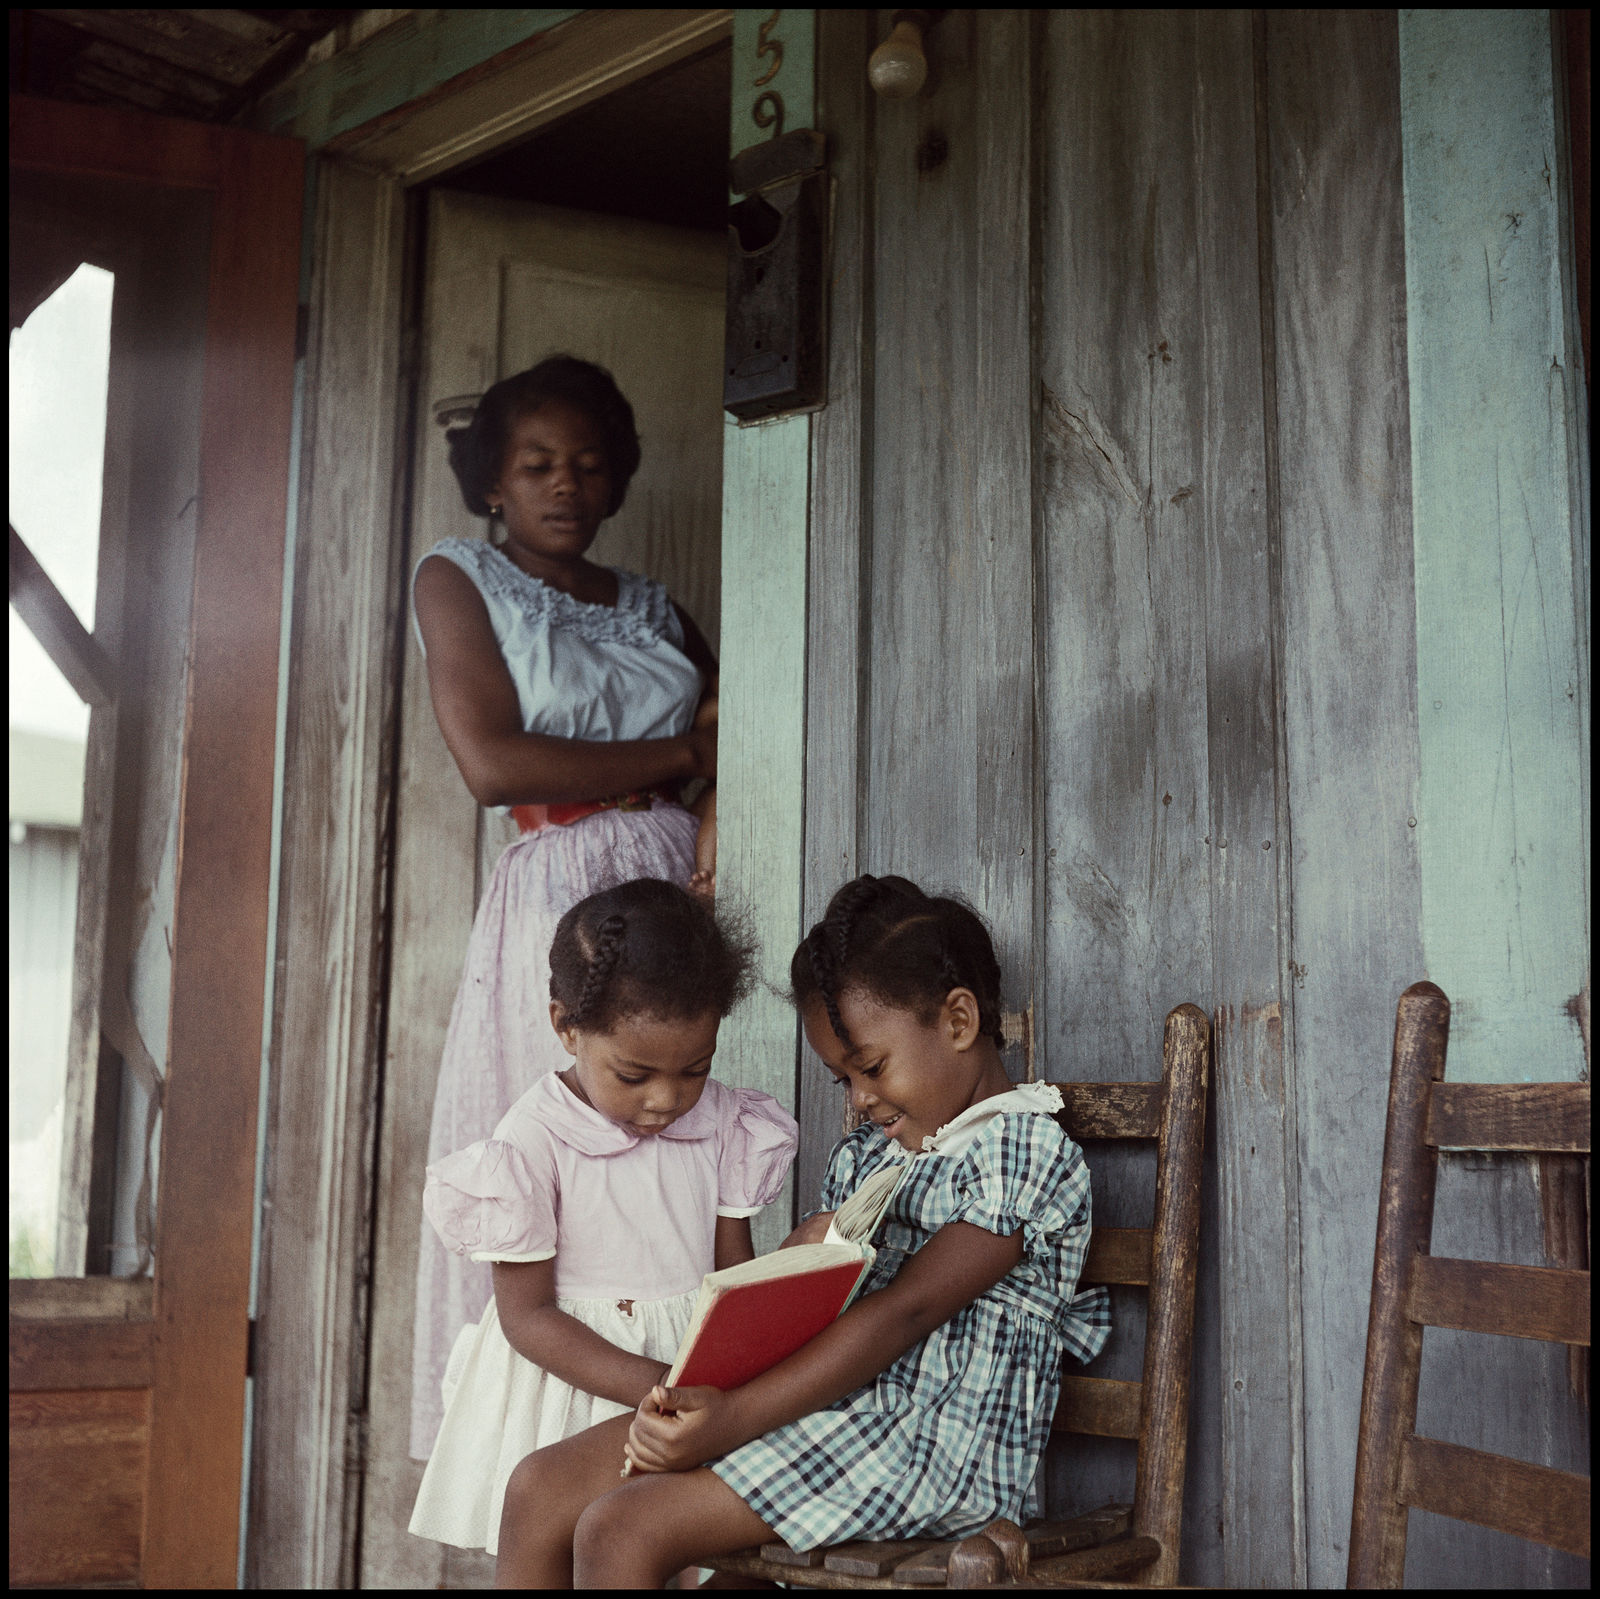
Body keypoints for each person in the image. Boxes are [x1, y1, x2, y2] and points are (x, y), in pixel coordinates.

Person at [493, 873, 1112, 1588]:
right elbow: (821, 1312)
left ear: (959, 1021)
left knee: (621, 1523)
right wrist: (794, 1265)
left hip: (930, 1447)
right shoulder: (876, 1155)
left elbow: (902, 1312)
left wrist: (731, 1420)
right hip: (833, 1412)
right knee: (540, 1488)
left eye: (871, 1066)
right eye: (841, 1079)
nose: (860, 1098)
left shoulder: (1023, 1150)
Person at [409, 355, 721, 1460]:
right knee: (573, 1150)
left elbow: (743, 725)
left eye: (587, 465)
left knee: (677, 1136)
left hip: (682, 879)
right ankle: (553, 1444)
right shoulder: (458, 578)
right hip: (562, 882)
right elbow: (496, 763)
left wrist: (715, 804)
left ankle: (684, 1408)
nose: (564, 486)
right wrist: (685, 750)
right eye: (536, 464)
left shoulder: (652, 607)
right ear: (492, 478)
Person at [408, 879, 798, 1555]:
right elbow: (527, 1316)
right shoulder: (534, 1141)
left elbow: (732, 1272)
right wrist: (650, 1381)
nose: (667, 1099)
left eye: (694, 1069)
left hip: (688, 1376)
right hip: (573, 1382)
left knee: (662, 1549)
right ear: (566, 1026)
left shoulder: (726, 1124)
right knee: (553, 1533)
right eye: (634, 1073)